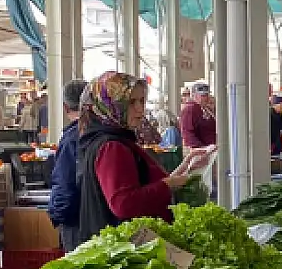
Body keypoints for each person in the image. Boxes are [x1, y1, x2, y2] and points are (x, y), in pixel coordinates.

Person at [74, 72, 208, 244]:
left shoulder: (115, 139)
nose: (140, 109)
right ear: (110, 105)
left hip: (129, 245)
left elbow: (145, 185)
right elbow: (123, 204)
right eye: (131, 102)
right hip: (126, 247)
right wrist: (169, 184)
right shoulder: (112, 147)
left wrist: (186, 166)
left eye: (142, 101)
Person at [46, 79, 89, 253]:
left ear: (65, 107)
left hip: (75, 220)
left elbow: (65, 182)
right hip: (98, 216)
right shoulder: (100, 132)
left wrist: (58, 215)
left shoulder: (72, 138)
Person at [179, 81, 218, 150]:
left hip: (211, 149)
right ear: (194, 96)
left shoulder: (206, 109)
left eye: (207, 95)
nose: (206, 98)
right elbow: (188, 134)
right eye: (203, 95)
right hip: (203, 151)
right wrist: (201, 149)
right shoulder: (189, 109)